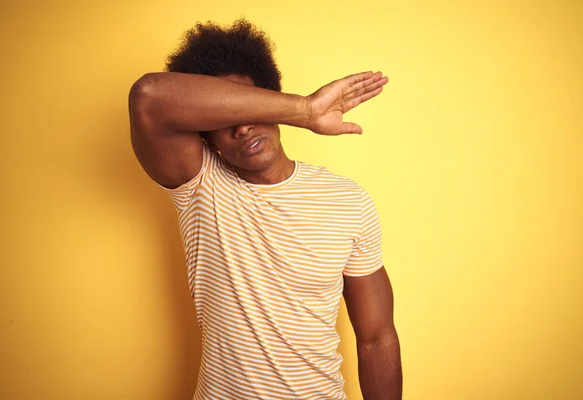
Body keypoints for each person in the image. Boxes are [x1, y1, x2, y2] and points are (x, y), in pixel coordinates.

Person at [128, 18, 402, 400]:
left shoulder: (348, 200)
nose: (241, 129)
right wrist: (306, 110)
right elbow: (149, 96)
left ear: (273, 105)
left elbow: (376, 337)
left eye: (252, 107)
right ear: (205, 132)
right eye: (225, 117)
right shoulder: (201, 184)